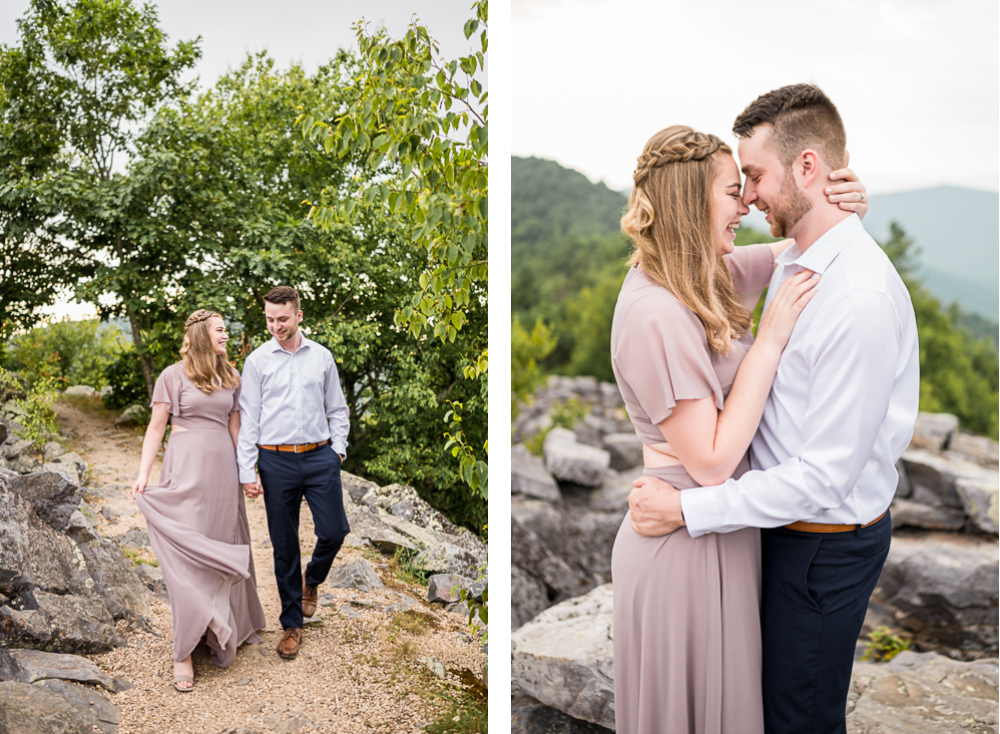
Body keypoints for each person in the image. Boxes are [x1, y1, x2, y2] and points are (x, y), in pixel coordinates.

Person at [628, 85, 919, 734]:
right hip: (769, 532)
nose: (750, 196)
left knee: (798, 720)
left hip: (818, 550)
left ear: (808, 168)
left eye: (754, 177)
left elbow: (822, 479)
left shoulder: (858, 300)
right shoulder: (797, 260)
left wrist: (686, 509)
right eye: (738, 184)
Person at [132, 309, 266, 692]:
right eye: (221, 330)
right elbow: (156, 427)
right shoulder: (171, 376)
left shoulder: (230, 375)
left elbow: (236, 428)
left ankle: (216, 629)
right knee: (186, 558)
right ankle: (183, 652)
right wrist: (143, 475)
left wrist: (247, 473)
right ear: (203, 335)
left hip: (222, 472)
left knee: (219, 546)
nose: (227, 335)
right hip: (184, 467)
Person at [237, 285, 350, 660]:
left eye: (282, 319)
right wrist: (247, 470)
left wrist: (338, 450)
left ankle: (312, 581)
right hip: (275, 461)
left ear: (299, 315)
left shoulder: (321, 357)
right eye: (269, 319)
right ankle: (291, 624)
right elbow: (249, 419)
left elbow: (337, 408)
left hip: (320, 457)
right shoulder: (257, 362)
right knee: (284, 546)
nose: (275, 326)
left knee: (335, 531)